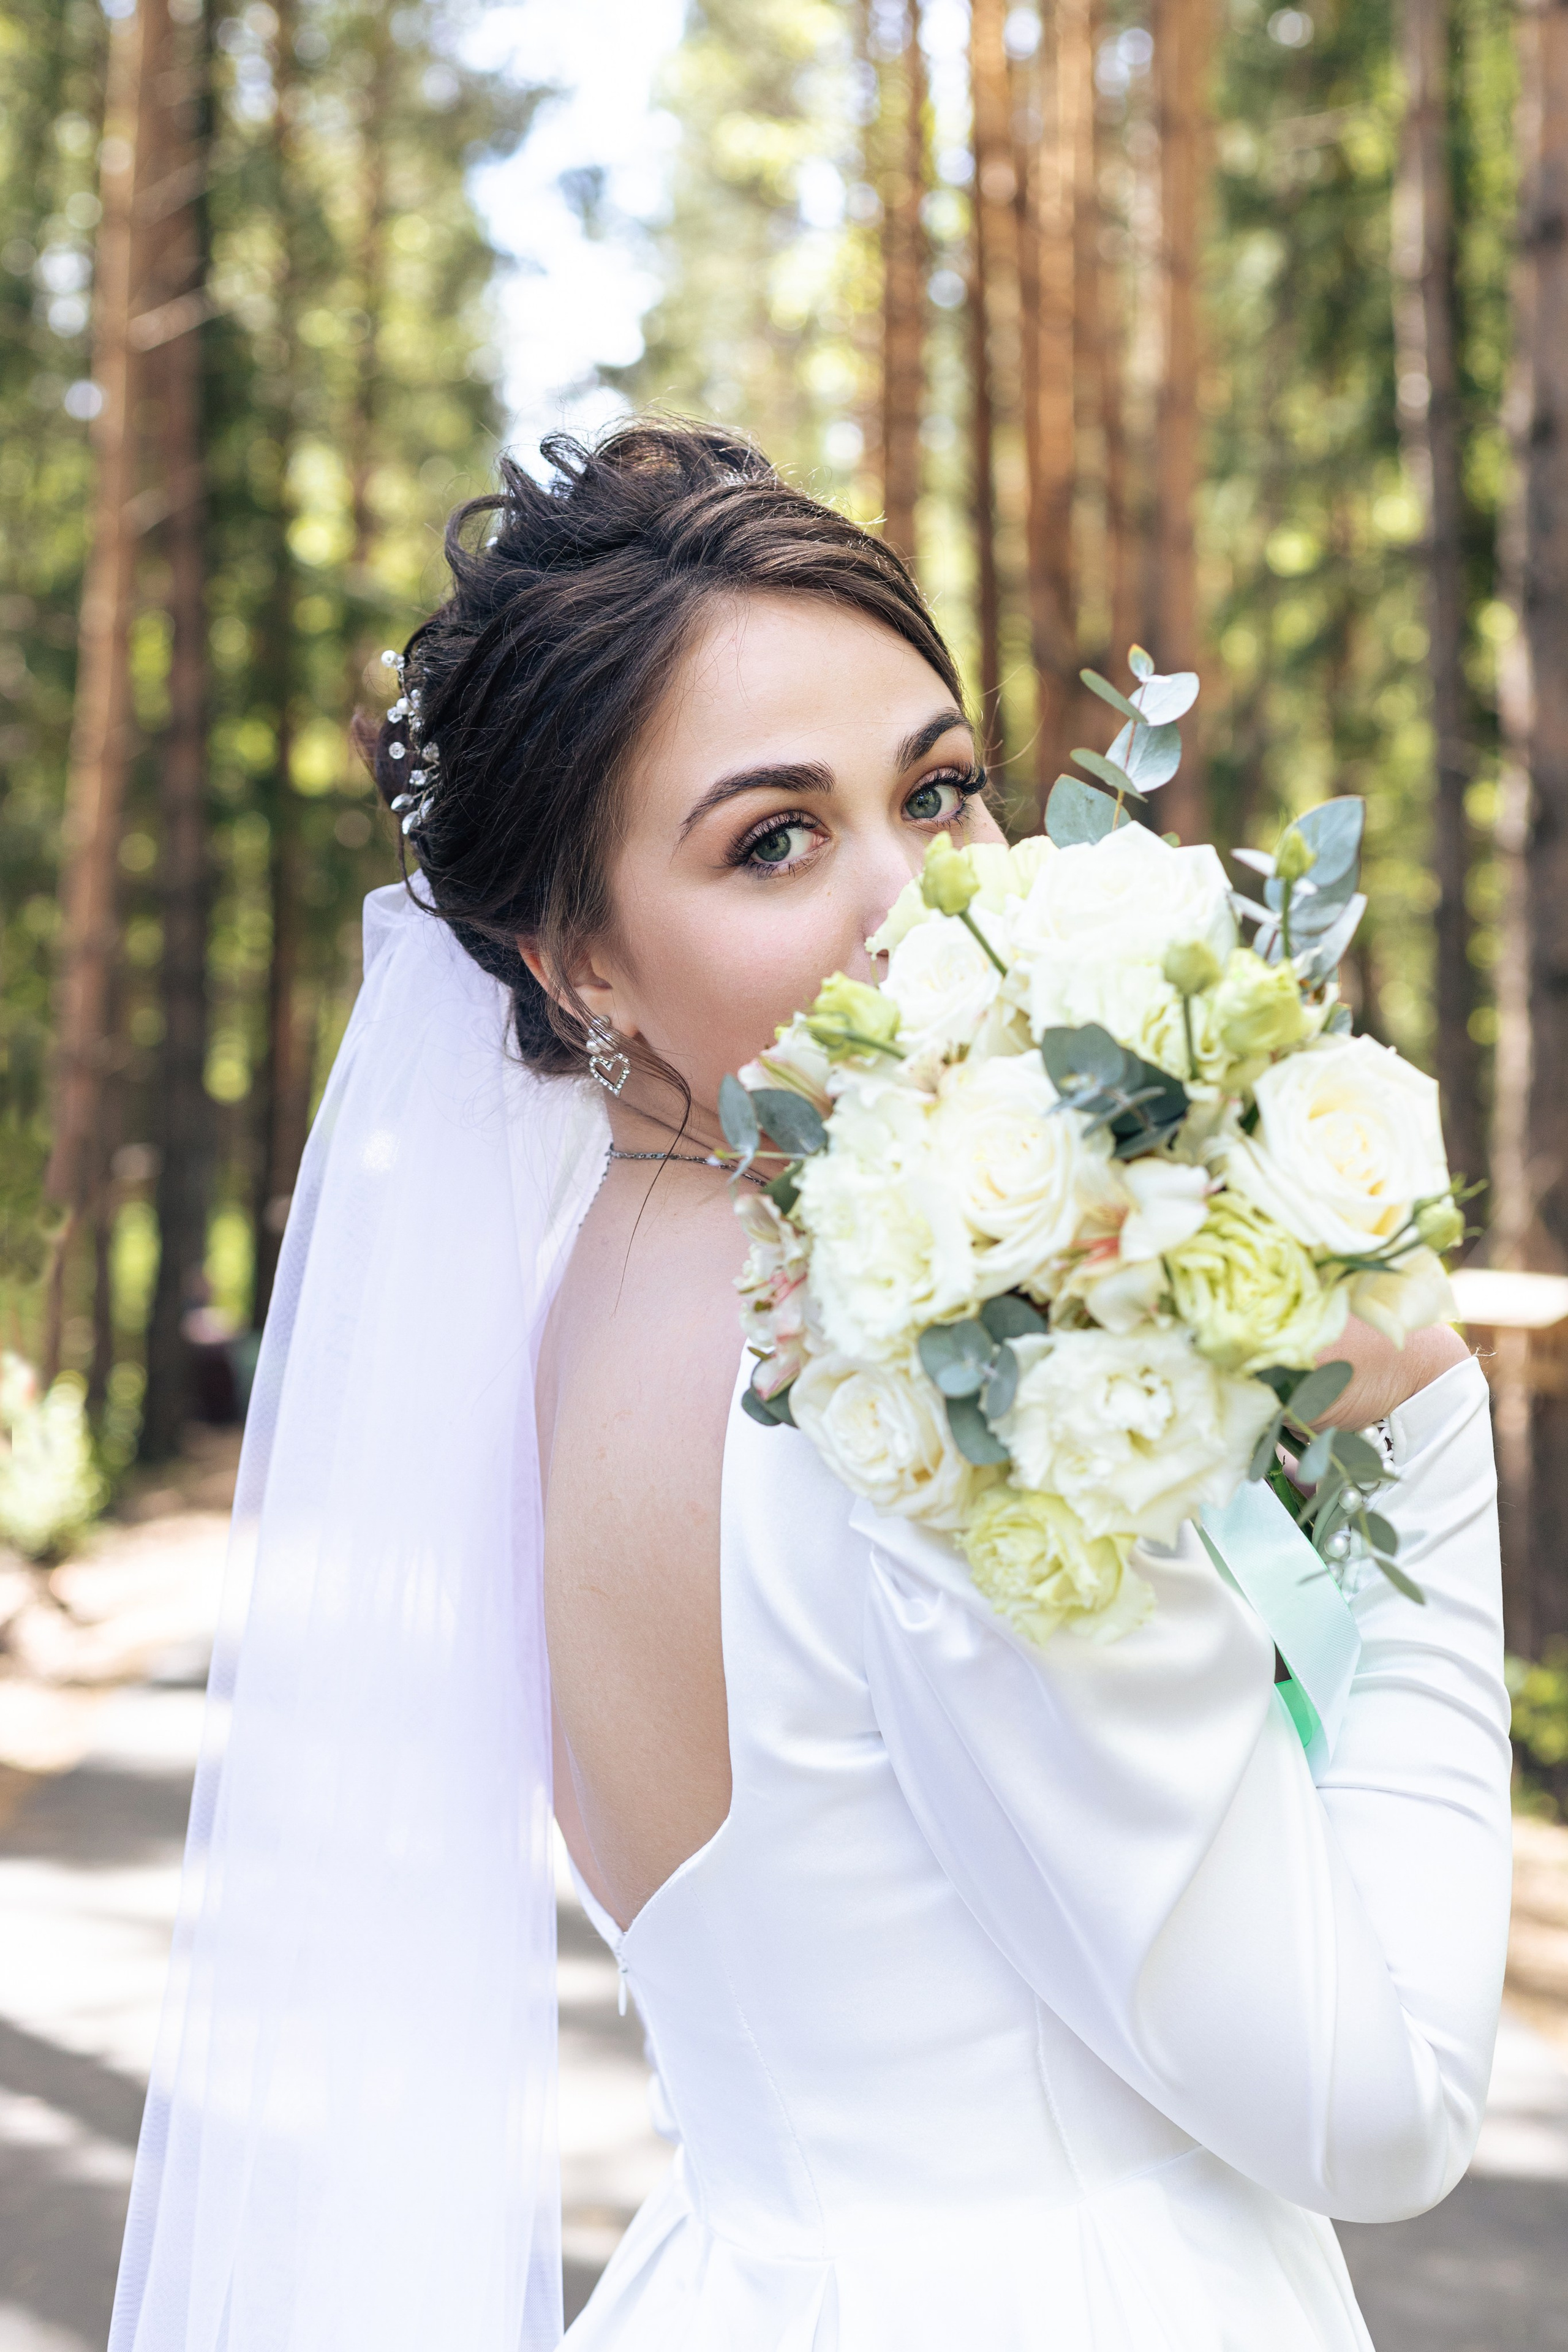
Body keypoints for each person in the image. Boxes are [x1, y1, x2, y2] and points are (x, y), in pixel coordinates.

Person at [109, 421, 1510, 2352]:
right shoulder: (901, 1369)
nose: (918, 900)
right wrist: (1425, 1424)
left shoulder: (547, 1323)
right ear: (578, 957)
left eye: (939, 792)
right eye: (775, 838)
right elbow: (1387, 2108)